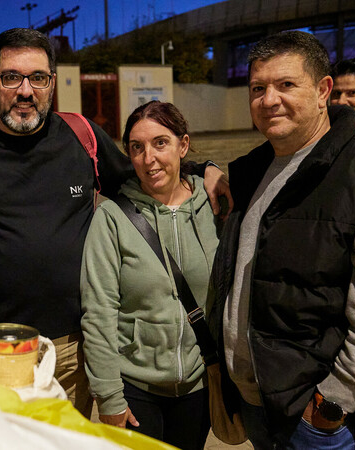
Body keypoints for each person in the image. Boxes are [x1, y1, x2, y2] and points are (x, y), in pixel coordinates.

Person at [0, 28, 229, 418]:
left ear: (52, 83)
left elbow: (140, 176)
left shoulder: (82, 137)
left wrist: (202, 169)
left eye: (38, 78)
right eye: (12, 77)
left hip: (75, 348)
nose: (25, 91)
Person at [207, 31, 355, 449]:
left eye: (286, 85)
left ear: (323, 92)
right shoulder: (257, 170)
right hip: (263, 407)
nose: (268, 99)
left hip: (325, 423)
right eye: (258, 88)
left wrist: (330, 404)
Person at [81, 101, 218, 450]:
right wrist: (109, 396)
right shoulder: (112, 217)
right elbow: (98, 312)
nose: (148, 158)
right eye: (137, 147)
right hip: (135, 388)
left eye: (160, 143)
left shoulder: (215, 205)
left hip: (199, 385)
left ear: (182, 145)